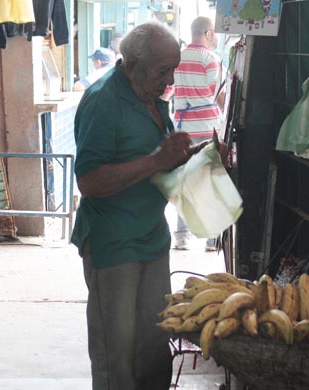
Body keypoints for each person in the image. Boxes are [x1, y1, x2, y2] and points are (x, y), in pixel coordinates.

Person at [72, 22, 191, 389]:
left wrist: (199, 161)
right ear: (133, 63)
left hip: (152, 236)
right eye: (162, 70)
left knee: (155, 347)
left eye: (174, 68)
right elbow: (89, 181)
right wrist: (158, 160)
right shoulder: (103, 100)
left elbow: (160, 160)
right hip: (114, 243)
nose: (170, 79)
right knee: (117, 358)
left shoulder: (152, 97)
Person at [170, 16, 225, 251]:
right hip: (207, 127)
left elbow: (167, 91)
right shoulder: (211, 59)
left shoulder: (176, 59)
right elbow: (220, 96)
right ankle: (212, 237)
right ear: (208, 34)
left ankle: (182, 235)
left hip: (182, 127)